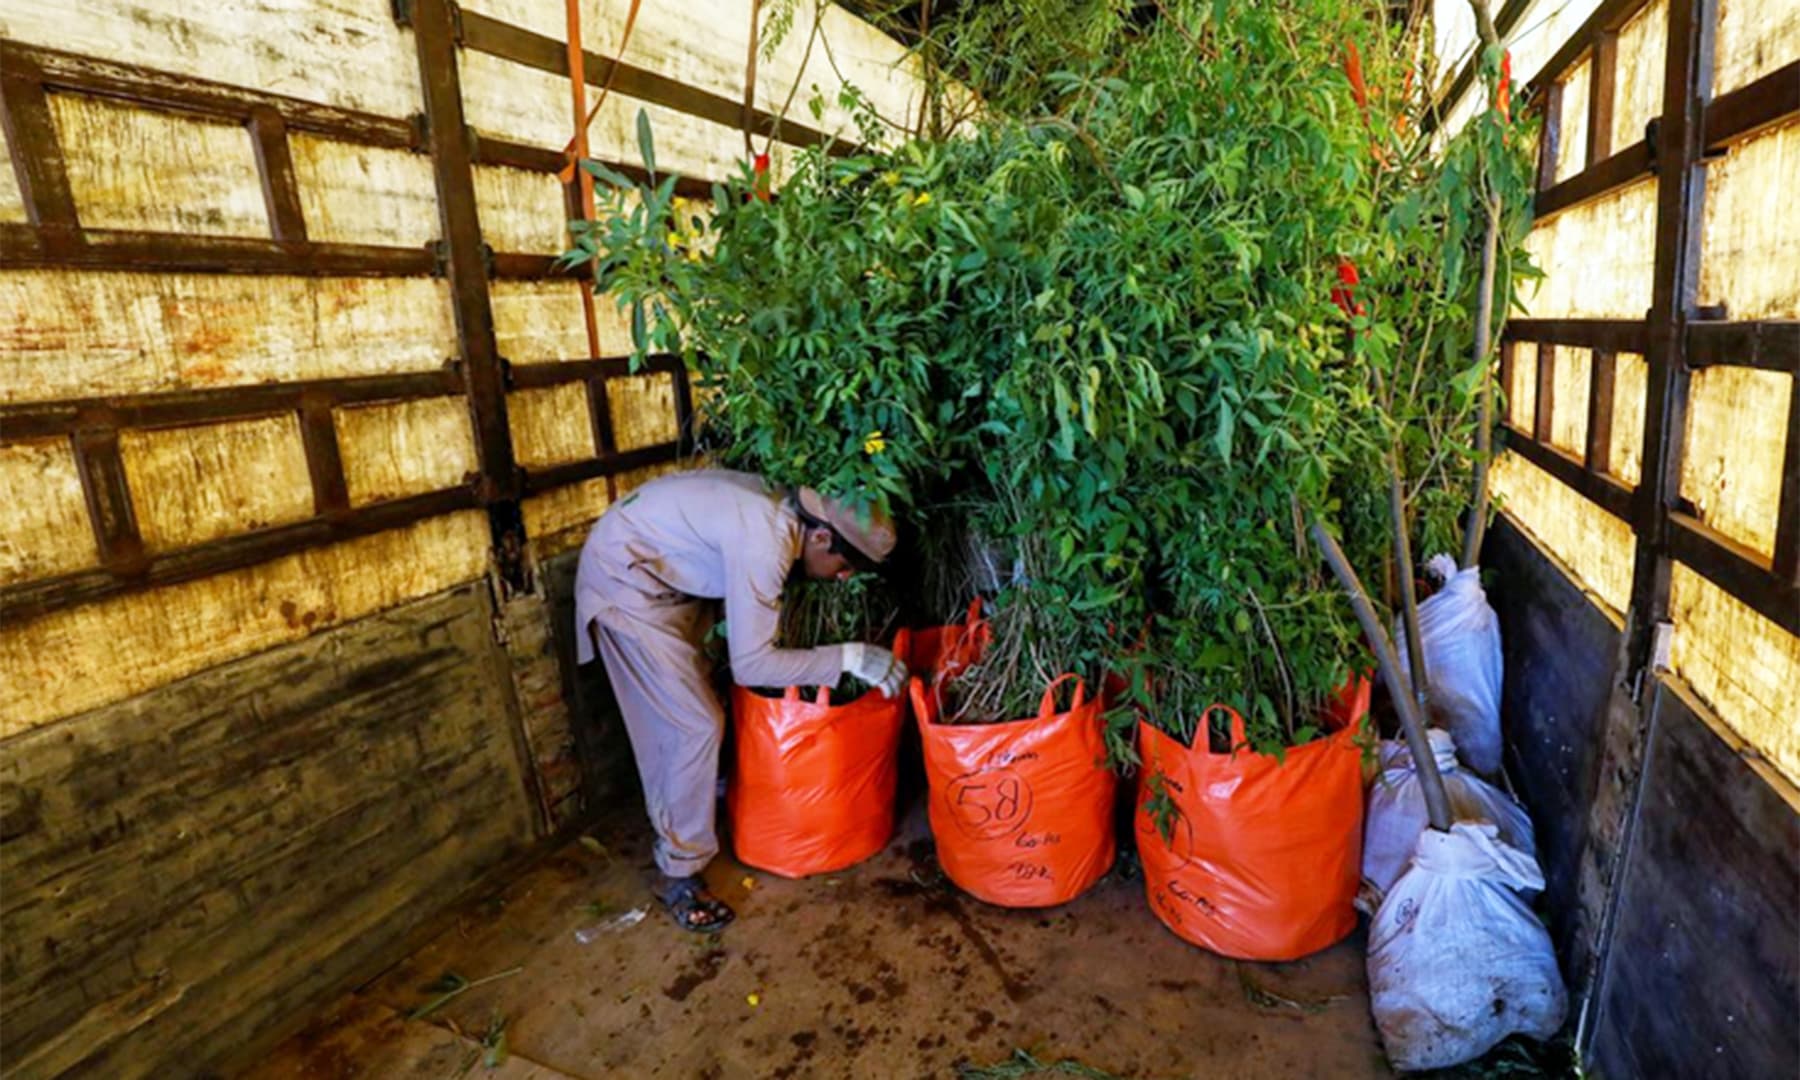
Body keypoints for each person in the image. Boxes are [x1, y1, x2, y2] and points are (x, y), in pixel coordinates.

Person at [574, 469, 908, 931]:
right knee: (692, 725)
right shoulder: (766, 539)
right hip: (626, 585)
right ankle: (679, 872)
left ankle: (703, 799)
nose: (843, 578)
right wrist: (848, 658)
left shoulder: (781, 514)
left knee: (697, 704)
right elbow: (753, 665)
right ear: (821, 537)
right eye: (845, 564)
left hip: (665, 578)